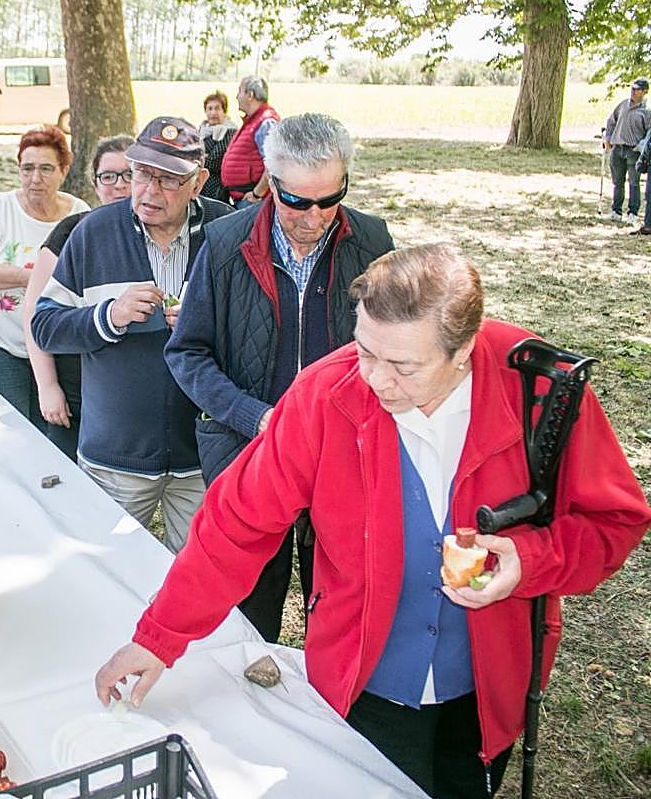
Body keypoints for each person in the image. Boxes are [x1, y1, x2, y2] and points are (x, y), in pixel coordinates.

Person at [95, 242, 651, 799]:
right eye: (364, 350)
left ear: (463, 350)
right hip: (364, 684)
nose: (376, 380)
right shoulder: (324, 393)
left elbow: (612, 522)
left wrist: (529, 561)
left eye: (404, 367)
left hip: (487, 690)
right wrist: (159, 637)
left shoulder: (540, 390)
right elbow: (236, 524)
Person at [165, 113, 394, 641]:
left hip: (342, 459)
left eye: (330, 199)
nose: (314, 218)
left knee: (340, 602)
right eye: (296, 201)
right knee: (248, 609)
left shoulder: (372, 241)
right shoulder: (225, 242)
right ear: (270, 182)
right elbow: (188, 353)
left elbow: (392, 348)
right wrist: (255, 417)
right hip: (248, 453)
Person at [31, 118, 232, 552]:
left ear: (199, 183)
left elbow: (256, 330)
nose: (149, 191)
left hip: (201, 456)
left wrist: (207, 324)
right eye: (142, 173)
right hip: (114, 456)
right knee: (106, 568)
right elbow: (45, 327)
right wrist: (110, 316)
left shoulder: (227, 232)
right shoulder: (93, 232)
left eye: (169, 179)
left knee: (195, 576)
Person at [0, 125, 87, 429]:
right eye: (27, 168)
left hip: (57, 348)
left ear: (64, 170)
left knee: (56, 426)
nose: (35, 178)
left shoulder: (78, 213)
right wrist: (31, 277)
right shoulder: (1, 207)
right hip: (3, 343)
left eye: (46, 168)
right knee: (13, 427)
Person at [24, 135, 133, 459]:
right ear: (95, 183)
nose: (119, 185)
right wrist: (48, 387)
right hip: (74, 393)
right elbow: (34, 312)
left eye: (129, 174)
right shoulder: (72, 232)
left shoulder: (159, 235)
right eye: (108, 176)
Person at [221, 75, 279, 209]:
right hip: (245, 199)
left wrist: (256, 194)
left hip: (254, 201)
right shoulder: (254, 120)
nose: (236, 97)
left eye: (239, 91)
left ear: (250, 95)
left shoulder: (266, 122)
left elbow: (274, 165)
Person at [603, 77, 649, 225]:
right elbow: (611, 121)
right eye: (632, 88)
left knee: (634, 182)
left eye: (637, 89)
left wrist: (640, 146)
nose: (633, 91)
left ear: (645, 91)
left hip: (633, 150)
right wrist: (608, 138)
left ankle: (633, 213)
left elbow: (649, 133)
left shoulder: (646, 111)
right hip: (618, 148)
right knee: (617, 181)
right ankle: (616, 211)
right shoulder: (623, 105)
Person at [198, 90, 236, 204]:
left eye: (217, 108)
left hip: (216, 189)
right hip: (199, 186)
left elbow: (215, 162)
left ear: (224, 111)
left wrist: (198, 158)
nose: (213, 112)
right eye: (210, 109)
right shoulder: (201, 130)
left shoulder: (230, 132)